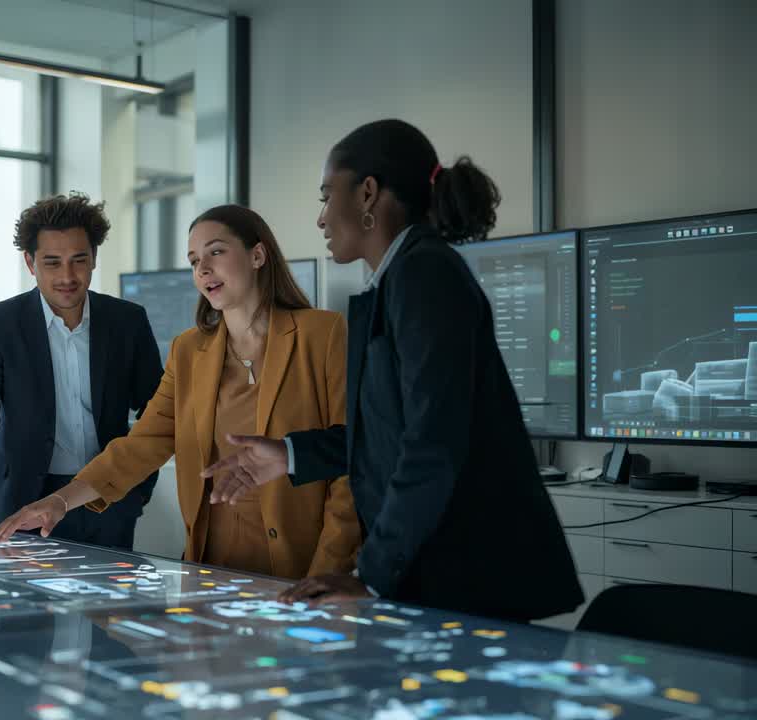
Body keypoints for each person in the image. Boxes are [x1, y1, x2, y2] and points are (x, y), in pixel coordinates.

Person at [202, 119, 583, 622]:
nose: (320, 218)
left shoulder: (426, 274)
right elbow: (389, 434)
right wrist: (288, 455)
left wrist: (371, 576)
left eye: (325, 195)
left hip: (469, 578)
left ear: (367, 194)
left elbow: (433, 441)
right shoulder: (399, 281)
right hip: (438, 574)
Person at [0, 205, 361, 580]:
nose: (203, 269)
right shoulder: (189, 351)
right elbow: (142, 444)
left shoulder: (324, 335)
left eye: (216, 252)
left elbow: (352, 460)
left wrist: (329, 569)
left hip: (301, 567)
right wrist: (59, 502)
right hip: (211, 566)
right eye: (194, 260)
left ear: (257, 255)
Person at [0, 193, 162, 549]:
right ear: (30, 262)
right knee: (23, 604)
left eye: (79, 260)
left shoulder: (127, 322)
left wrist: (137, 488)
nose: (67, 276)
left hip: (105, 499)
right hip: (18, 505)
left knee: (108, 604)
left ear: (94, 259)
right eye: (52, 262)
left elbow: (158, 413)